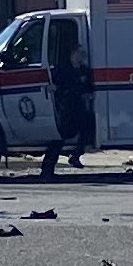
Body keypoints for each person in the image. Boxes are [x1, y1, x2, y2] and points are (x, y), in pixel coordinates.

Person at [41, 44, 96, 179]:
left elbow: (89, 87)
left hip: (79, 107)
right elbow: (57, 86)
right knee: (60, 136)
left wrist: (89, 94)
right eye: (78, 53)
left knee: (88, 127)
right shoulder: (63, 70)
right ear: (72, 54)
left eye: (82, 54)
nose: (80, 56)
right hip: (66, 107)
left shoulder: (84, 71)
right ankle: (47, 168)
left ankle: (75, 155)